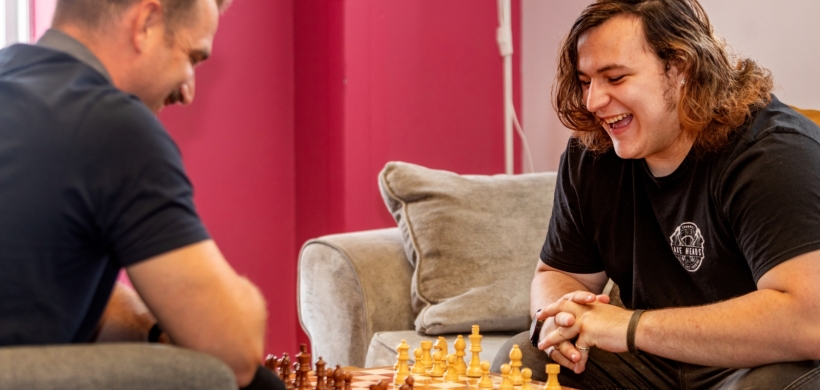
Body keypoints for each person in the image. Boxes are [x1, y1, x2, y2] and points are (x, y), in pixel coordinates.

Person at [491, 0, 820, 388]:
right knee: (525, 359)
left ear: (681, 69)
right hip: (654, 360)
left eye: (614, 78)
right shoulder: (592, 154)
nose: (593, 102)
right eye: (585, 81)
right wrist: (560, 320)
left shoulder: (771, 153)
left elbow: (808, 320)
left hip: (758, 360)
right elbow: (561, 273)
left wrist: (630, 327)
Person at [0, 0, 283, 388]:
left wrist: (154, 326)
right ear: (146, 23)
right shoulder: (113, 123)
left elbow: (36, 285)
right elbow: (236, 351)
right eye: (191, 57)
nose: (187, 91)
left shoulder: (12, 77)